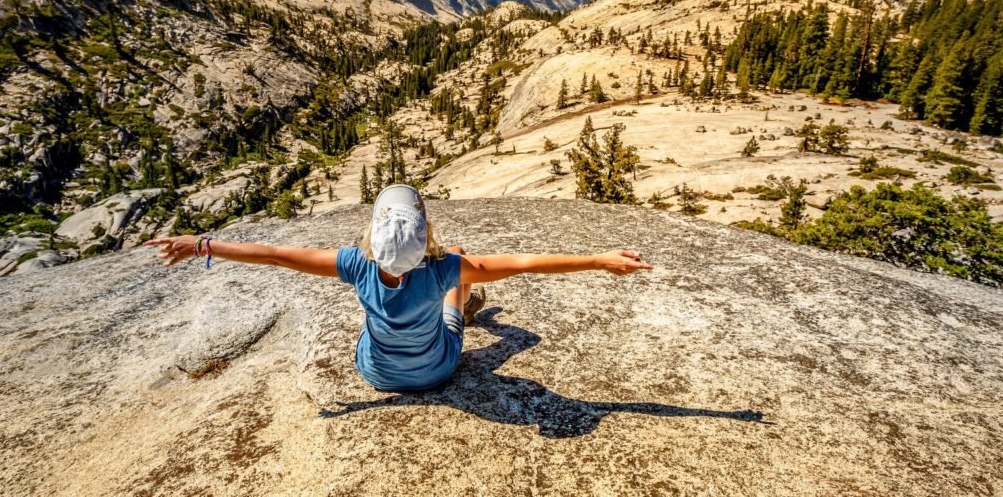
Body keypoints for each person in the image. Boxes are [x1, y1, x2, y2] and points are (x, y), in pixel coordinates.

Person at [145, 184, 652, 393]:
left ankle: (442, 315)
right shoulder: (443, 267)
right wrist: (598, 260)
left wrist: (202, 244)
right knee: (458, 282)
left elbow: (275, 254)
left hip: (377, 374)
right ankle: (464, 310)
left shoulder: (354, 265)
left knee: (382, 323)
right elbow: (524, 264)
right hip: (438, 370)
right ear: (424, 234)